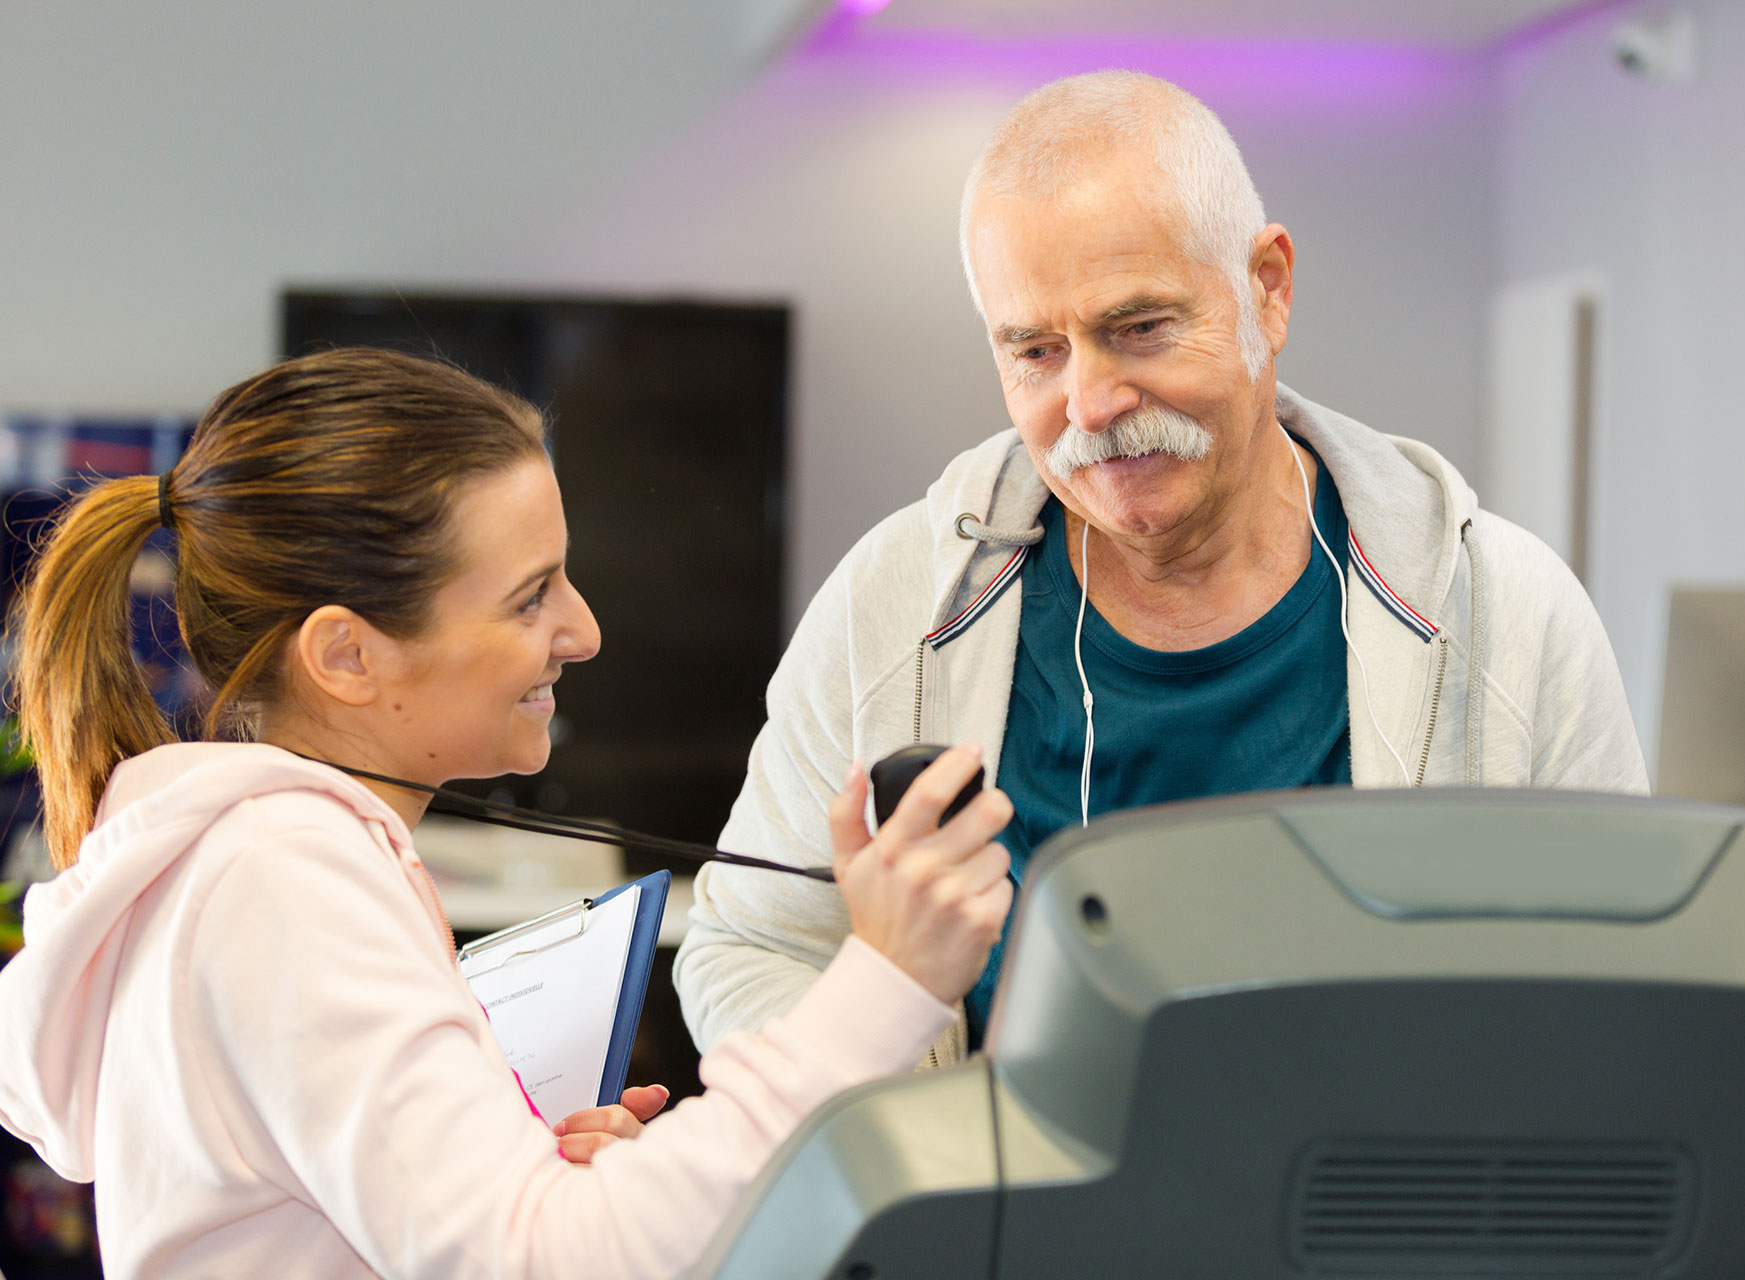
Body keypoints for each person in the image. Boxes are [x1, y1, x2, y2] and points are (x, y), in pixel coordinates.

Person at [674, 69, 1648, 1064]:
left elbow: (1630, 995)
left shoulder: (1505, 616)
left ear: (1266, 290)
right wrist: (911, 1150)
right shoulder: (886, 611)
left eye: (1139, 327)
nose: (1090, 403)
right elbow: (751, 943)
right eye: (1036, 352)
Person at [0, 348, 1014, 1279]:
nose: (583, 629)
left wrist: (567, 1173)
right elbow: (539, 1259)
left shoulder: (266, 858)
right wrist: (887, 981)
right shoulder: (281, 879)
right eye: (530, 597)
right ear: (347, 654)